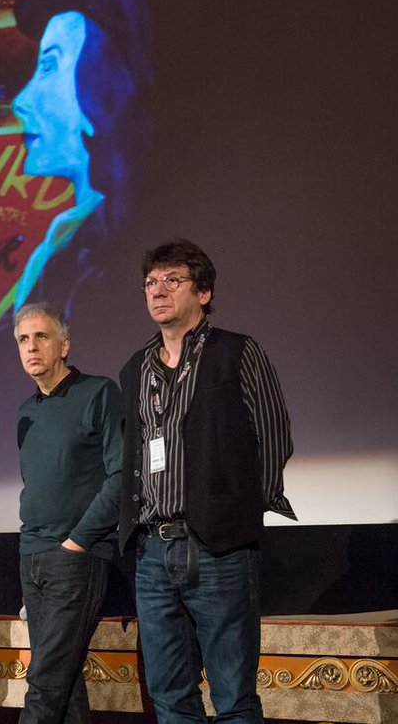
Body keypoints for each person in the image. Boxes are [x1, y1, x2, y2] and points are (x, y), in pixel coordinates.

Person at [117, 240, 295, 723]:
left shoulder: (237, 352)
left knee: (234, 696)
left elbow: (274, 437)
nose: (158, 291)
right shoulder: (136, 368)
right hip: (153, 552)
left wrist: (236, 512)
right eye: (151, 282)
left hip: (218, 547)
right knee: (170, 693)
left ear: (203, 292)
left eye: (172, 280)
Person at [11, 0, 154, 316]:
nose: (20, 101)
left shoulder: (127, 257)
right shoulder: (63, 241)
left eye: (48, 66)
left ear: (100, 82)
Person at [13, 302, 124, 724]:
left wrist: (78, 541)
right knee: (64, 681)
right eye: (23, 340)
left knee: (44, 682)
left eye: (41, 337)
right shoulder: (25, 412)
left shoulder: (98, 393)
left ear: (64, 345)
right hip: (33, 556)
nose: (31, 347)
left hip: (76, 555)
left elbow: (120, 477)